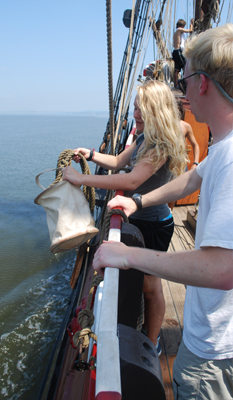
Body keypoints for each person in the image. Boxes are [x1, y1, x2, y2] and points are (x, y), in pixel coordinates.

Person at [93, 23, 233, 400]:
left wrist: (127, 254)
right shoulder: (223, 146)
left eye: (185, 79)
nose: (182, 90)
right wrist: (136, 201)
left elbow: (223, 269)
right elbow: (190, 181)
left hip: (215, 352)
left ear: (202, 83)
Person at [62, 80, 188, 354]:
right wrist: (92, 154)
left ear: (158, 111)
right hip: (138, 220)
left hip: (153, 225)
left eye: (143, 108)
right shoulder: (144, 138)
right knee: (142, 283)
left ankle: (151, 343)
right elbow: (119, 162)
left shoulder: (160, 145)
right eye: (135, 106)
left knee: (151, 288)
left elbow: (130, 181)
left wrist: (80, 178)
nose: (136, 113)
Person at [177, 98, 200, 169]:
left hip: (181, 165)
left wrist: (195, 163)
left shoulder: (185, 126)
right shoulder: (163, 126)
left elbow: (195, 145)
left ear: (179, 110)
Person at [172, 19, 193, 88]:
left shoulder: (175, 33)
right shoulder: (179, 30)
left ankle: (176, 84)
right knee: (185, 66)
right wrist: (191, 23)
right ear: (181, 26)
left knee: (177, 69)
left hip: (175, 51)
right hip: (179, 51)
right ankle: (186, 83)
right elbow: (190, 30)